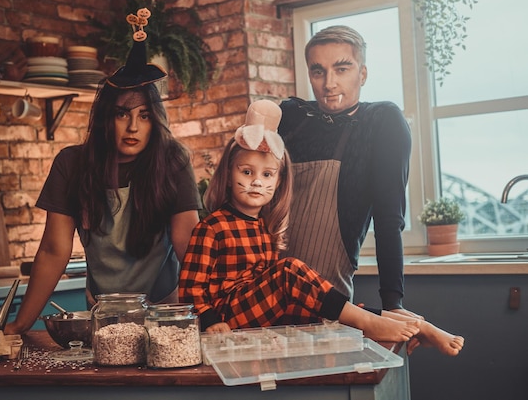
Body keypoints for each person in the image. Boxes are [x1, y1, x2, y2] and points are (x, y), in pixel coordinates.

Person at [179, 100, 464, 356]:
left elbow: (267, 288)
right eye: (246, 172)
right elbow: (191, 288)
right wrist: (211, 320)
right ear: (228, 175)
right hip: (229, 317)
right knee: (290, 270)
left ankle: (416, 325)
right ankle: (369, 323)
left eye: (267, 174)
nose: (256, 182)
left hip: (263, 317)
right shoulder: (213, 226)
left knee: (324, 315)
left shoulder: (264, 229)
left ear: (278, 182)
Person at [5, 8, 201, 335]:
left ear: (156, 119)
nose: (133, 127)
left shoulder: (172, 159)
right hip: (103, 312)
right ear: (106, 117)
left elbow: (189, 247)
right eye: (123, 114)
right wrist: (20, 325)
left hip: (164, 309)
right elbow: (54, 251)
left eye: (144, 116)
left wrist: (208, 316)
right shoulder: (71, 164)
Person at [278, 25, 413, 315]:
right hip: (262, 295)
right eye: (318, 71)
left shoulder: (380, 121)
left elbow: (389, 220)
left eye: (341, 69)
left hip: (327, 303)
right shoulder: (291, 117)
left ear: (362, 74)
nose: (329, 83)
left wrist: (393, 303)